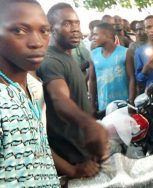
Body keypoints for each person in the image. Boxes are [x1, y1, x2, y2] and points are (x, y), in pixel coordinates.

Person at [37, 3, 108, 178]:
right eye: (67, 24)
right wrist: (89, 124)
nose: (76, 29)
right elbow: (60, 99)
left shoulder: (68, 56)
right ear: (51, 29)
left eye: (77, 23)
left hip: (84, 153)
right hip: (71, 159)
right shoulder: (51, 61)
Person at [0, 0, 59, 186]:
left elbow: (37, 147)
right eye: (19, 30)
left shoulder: (34, 88)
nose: (37, 42)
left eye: (44, 31)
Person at [89, 23, 128, 113]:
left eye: (95, 34)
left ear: (108, 35)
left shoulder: (125, 52)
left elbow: (132, 78)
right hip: (104, 105)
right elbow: (92, 80)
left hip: (123, 104)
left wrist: (131, 100)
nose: (92, 38)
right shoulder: (93, 54)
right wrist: (92, 104)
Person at [126, 20, 147, 102]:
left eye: (142, 29)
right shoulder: (133, 46)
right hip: (139, 85)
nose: (139, 32)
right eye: (137, 30)